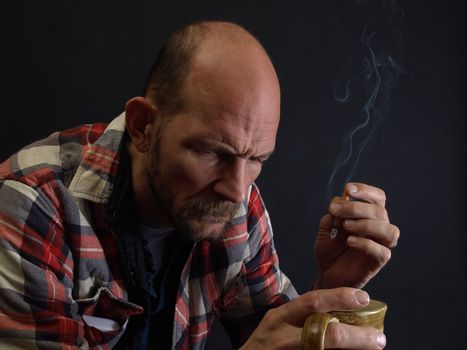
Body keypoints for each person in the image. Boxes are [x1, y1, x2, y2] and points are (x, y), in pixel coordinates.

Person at [0, 21, 399, 349]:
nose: (238, 191)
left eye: (257, 160)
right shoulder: (31, 206)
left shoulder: (237, 204)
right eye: (216, 153)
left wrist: (332, 290)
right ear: (143, 127)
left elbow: (276, 336)